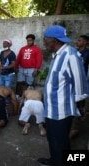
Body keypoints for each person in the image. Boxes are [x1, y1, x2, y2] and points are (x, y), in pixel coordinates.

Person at [37, 25, 88, 166]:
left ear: (54, 40)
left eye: (46, 39)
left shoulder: (71, 55)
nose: (44, 42)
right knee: (52, 139)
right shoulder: (57, 55)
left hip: (62, 111)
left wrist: (69, 104)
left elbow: (82, 90)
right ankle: (54, 160)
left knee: (61, 142)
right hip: (51, 109)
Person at [69, 35, 89, 139]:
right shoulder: (74, 52)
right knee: (72, 104)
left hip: (81, 83)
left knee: (79, 105)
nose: (77, 41)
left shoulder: (87, 53)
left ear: (85, 42)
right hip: (71, 82)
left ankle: (75, 129)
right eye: (77, 39)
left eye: (80, 40)